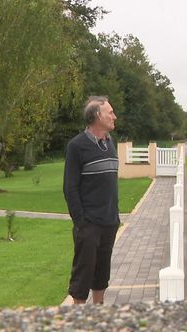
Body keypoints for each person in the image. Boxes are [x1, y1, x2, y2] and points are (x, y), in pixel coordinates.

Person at [63, 96, 119, 305]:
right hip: (89, 225)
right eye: (110, 112)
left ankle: (99, 315)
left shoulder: (109, 143)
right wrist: (81, 223)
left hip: (110, 222)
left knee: (101, 274)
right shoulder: (77, 146)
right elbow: (70, 187)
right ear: (97, 116)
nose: (114, 116)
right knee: (82, 276)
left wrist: (115, 214)